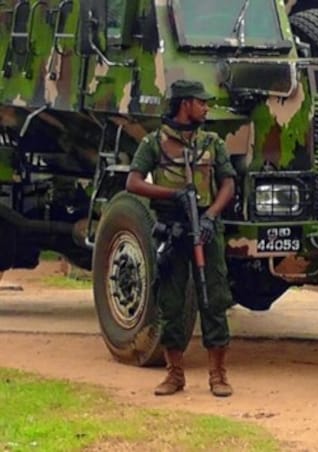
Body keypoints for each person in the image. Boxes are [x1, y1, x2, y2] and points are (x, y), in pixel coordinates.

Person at [126, 80, 236, 397]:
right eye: (201, 102)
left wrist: (210, 217)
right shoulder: (154, 143)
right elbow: (133, 182)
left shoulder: (212, 142)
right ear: (185, 104)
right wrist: (172, 195)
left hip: (205, 226)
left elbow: (228, 184)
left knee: (213, 298)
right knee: (171, 302)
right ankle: (175, 374)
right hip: (173, 228)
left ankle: (218, 375)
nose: (206, 107)